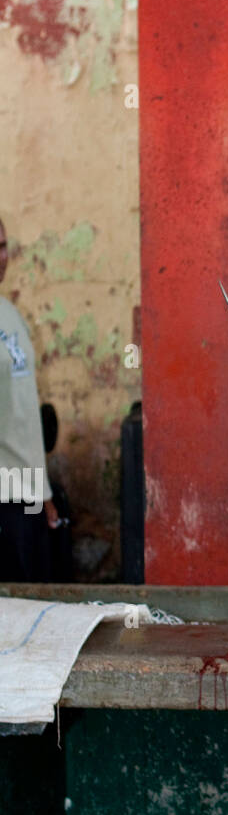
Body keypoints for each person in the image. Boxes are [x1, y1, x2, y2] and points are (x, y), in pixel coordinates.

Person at [0, 216, 58, 582]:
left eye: (3, 246)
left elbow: (24, 416)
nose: (1, 256)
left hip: (26, 495)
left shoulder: (10, 315)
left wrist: (44, 493)